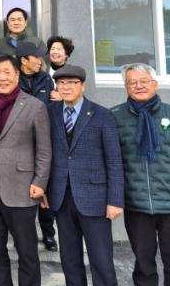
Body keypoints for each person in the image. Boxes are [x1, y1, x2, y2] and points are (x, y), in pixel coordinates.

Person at [113, 63, 170, 286]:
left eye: (144, 81)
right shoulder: (114, 117)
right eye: (132, 82)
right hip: (136, 204)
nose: (138, 86)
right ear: (126, 87)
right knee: (143, 265)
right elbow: (110, 162)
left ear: (155, 84)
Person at [44, 64, 124, 286]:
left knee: (101, 259)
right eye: (61, 83)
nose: (66, 87)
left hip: (95, 198)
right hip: (61, 197)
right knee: (69, 258)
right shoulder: (50, 112)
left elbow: (114, 160)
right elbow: (46, 153)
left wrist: (115, 200)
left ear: (83, 86)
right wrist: (45, 188)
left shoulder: (102, 115)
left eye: (72, 83)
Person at [0, 54, 51, 286]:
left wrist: (40, 182)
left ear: (17, 75)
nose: (2, 77)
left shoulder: (35, 106)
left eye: (7, 72)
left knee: (27, 251)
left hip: (22, 188)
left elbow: (44, 149)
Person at [15, 41, 58, 251]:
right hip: (20, 140)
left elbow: (50, 106)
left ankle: (48, 233)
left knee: (43, 187)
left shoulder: (46, 78)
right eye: (36, 57)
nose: (41, 61)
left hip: (42, 137)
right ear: (24, 61)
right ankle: (23, 235)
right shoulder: (14, 78)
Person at [46, 36, 75, 103]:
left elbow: (78, 96)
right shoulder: (42, 70)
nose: (55, 52)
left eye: (59, 49)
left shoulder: (72, 73)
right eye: (52, 49)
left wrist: (63, 97)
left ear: (66, 54)